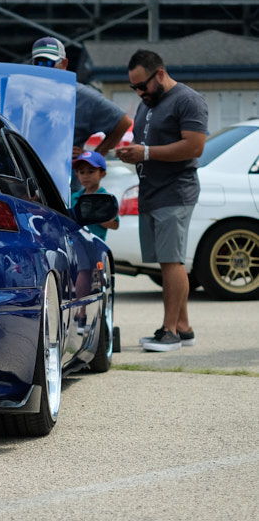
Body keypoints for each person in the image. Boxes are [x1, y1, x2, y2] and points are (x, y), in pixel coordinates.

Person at [115, 50, 208, 352]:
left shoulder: (188, 100)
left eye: (142, 85)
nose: (139, 92)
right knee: (164, 261)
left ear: (160, 74)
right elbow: (145, 144)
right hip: (151, 191)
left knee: (172, 260)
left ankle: (168, 332)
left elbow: (194, 147)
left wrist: (146, 153)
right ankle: (183, 327)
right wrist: (131, 152)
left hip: (175, 190)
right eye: (134, 88)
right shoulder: (147, 104)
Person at [31, 36, 133, 174]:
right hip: (30, 184)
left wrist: (91, 157)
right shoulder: (25, 94)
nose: (44, 69)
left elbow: (123, 122)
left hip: (67, 186)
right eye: (38, 63)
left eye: (49, 63)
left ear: (64, 64)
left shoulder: (82, 96)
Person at [70, 150, 119, 241]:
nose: (85, 176)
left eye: (91, 171)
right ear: (77, 174)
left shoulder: (105, 198)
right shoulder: (74, 197)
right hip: (77, 243)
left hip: (95, 246)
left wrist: (93, 215)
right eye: (82, 172)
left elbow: (115, 224)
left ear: (102, 174)